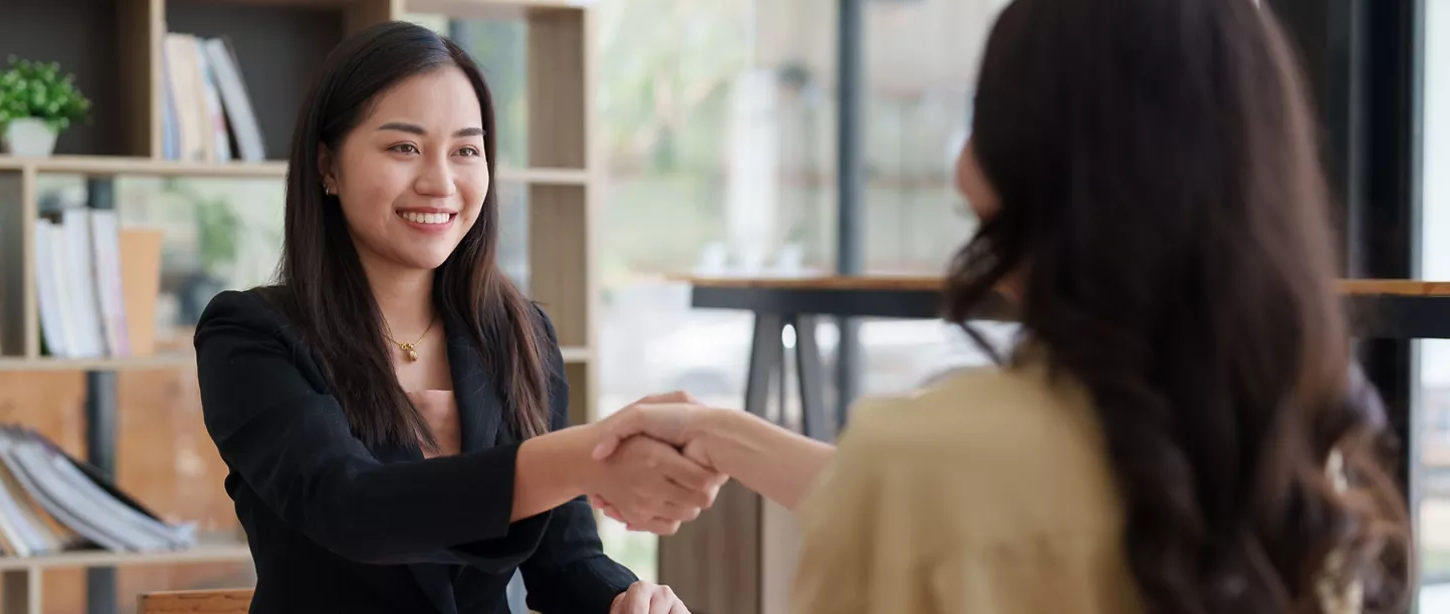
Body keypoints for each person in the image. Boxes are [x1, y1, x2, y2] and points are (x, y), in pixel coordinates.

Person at [590, 0, 1414, 613]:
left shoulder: (921, 465)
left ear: (995, 168)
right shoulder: (1308, 454)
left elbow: (938, 500)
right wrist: (726, 435)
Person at [194, 21, 717, 614]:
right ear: (327, 167)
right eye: (403, 147)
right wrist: (581, 456)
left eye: (466, 150)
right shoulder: (251, 334)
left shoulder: (520, 335)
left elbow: (564, 559)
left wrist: (625, 597)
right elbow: (353, 508)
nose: (440, 182)